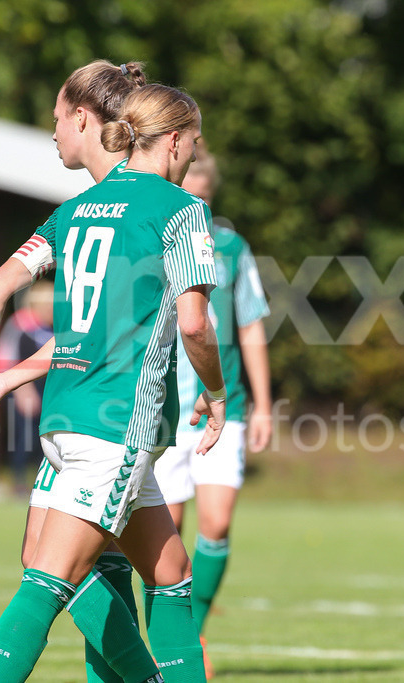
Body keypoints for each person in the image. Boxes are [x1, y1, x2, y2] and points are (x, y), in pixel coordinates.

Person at [0, 84, 226, 682]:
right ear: (176, 141)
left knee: (171, 575)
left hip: (64, 417)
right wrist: (216, 393)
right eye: (194, 142)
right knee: (48, 582)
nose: (193, 154)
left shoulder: (76, 209)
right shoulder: (180, 208)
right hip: (116, 424)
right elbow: (194, 324)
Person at [152, 146, 272, 679]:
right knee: (165, 535)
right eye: (187, 189)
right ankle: (170, 642)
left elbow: (250, 324)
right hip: (163, 408)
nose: (194, 199)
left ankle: (193, 633)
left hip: (227, 406)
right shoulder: (154, 237)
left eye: (202, 191)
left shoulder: (231, 247)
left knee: (217, 523)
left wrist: (263, 403)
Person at [0, 277, 54, 492]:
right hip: (19, 388)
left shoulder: (49, 327)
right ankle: (18, 482)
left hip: (43, 389)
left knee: (42, 437)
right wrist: (23, 392)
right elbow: (9, 358)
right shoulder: (22, 323)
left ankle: (39, 481)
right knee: (23, 437)